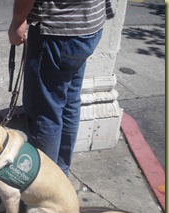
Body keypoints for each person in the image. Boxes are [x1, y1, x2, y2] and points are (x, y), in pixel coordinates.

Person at [8, 0, 109, 176]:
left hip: (57, 30)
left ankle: (44, 186)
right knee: (69, 102)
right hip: (89, 24)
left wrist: (18, 21)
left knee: (44, 113)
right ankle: (60, 174)